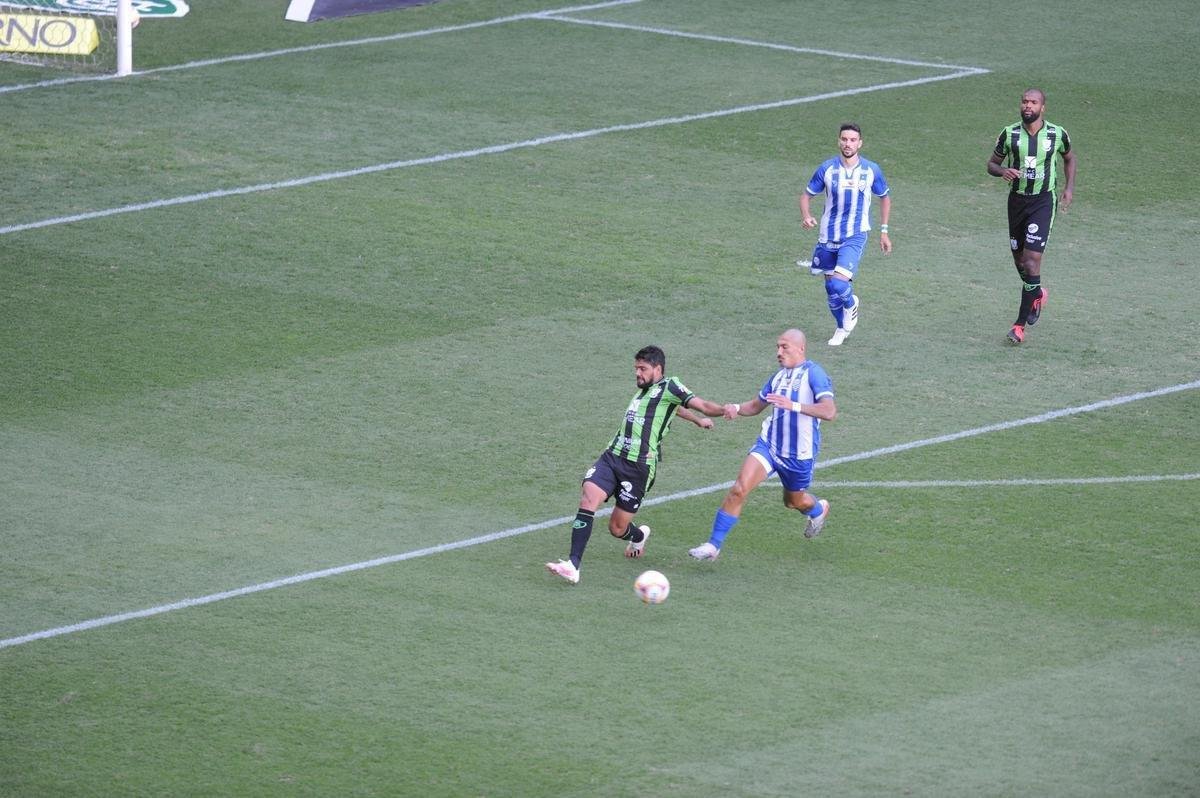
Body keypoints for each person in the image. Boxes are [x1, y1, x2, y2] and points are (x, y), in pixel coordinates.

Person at [546, 345, 728, 584]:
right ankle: (573, 565)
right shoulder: (646, 391)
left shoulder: (670, 386)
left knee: (617, 528)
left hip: (638, 469)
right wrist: (695, 421)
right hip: (613, 456)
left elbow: (701, 405)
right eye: (636, 368)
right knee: (589, 496)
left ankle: (639, 535)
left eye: (643, 368)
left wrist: (725, 410)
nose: (637, 373)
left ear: (658, 368)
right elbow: (671, 409)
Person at [689, 329, 836, 561]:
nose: (779, 352)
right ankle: (713, 546)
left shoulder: (814, 374)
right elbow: (757, 405)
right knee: (739, 488)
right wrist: (736, 408)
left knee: (793, 501)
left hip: (798, 455)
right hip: (769, 446)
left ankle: (818, 510)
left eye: (784, 346)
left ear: (801, 348)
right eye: (777, 347)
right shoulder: (778, 377)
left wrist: (793, 405)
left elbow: (829, 411)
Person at [987, 88, 1076, 345]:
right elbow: (991, 164)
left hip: (1043, 201)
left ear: (1042, 108)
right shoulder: (1009, 133)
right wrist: (1002, 171)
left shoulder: (1057, 133)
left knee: (1032, 260)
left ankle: (1018, 326)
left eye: (1033, 102)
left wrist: (1068, 188)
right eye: (1025, 101)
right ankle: (1037, 293)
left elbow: (1070, 158)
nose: (1028, 106)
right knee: (1020, 262)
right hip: (1016, 202)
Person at [799, 123, 892, 347]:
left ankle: (851, 303)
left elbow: (885, 197)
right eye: (844, 139)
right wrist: (806, 215)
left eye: (852, 140)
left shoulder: (871, 170)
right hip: (827, 235)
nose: (848, 144)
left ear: (860, 143)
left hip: (855, 235)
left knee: (840, 286)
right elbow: (806, 196)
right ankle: (841, 328)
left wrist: (884, 231)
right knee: (831, 289)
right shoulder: (827, 169)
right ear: (838, 141)